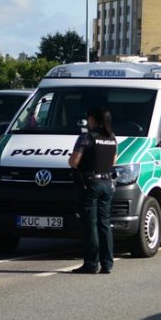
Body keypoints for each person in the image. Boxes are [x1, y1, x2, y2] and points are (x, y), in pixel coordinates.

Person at [68, 105, 118, 274]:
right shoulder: (112, 138)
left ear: (92, 119)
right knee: (105, 224)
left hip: (91, 185)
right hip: (107, 184)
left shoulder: (86, 137)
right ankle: (107, 263)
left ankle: (91, 263)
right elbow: (113, 160)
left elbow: (74, 161)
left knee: (91, 224)